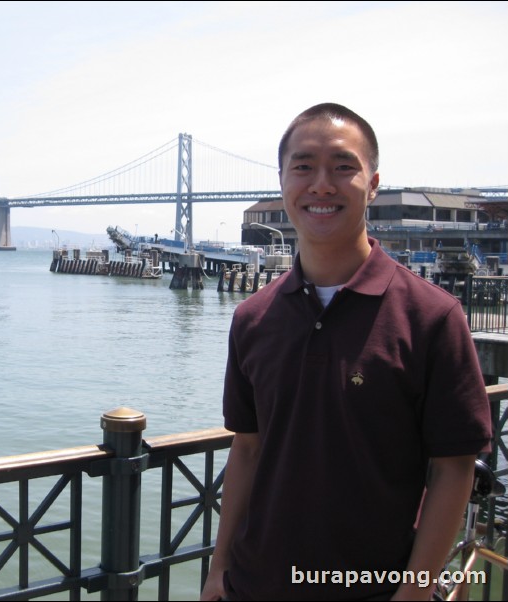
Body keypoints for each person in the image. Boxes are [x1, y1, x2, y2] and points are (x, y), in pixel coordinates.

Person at [200, 103, 492, 601]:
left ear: (373, 183)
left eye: (343, 166)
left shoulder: (432, 317)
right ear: (282, 182)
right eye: (303, 166)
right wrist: (218, 569)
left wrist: (417, 591)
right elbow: (247, 449)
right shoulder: (251, 318)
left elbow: (454, 466)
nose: (321, 185)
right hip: (253, 585)